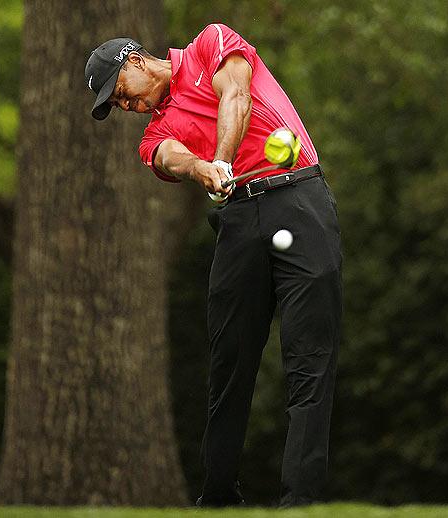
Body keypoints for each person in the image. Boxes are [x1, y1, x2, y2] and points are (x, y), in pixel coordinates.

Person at [84, 24, 341, 508]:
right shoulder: (154, 132)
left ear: (136, 61)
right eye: (117, 106)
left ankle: (300, 501)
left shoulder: (210, 44)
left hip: (300, 200)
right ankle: (219, 497)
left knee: (310, 356)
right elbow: (170, 156)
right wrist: (203, 169)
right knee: (230, 362)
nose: (127, 107)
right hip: (239, 219)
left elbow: (237, 96)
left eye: (121, 93)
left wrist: (220, 158)